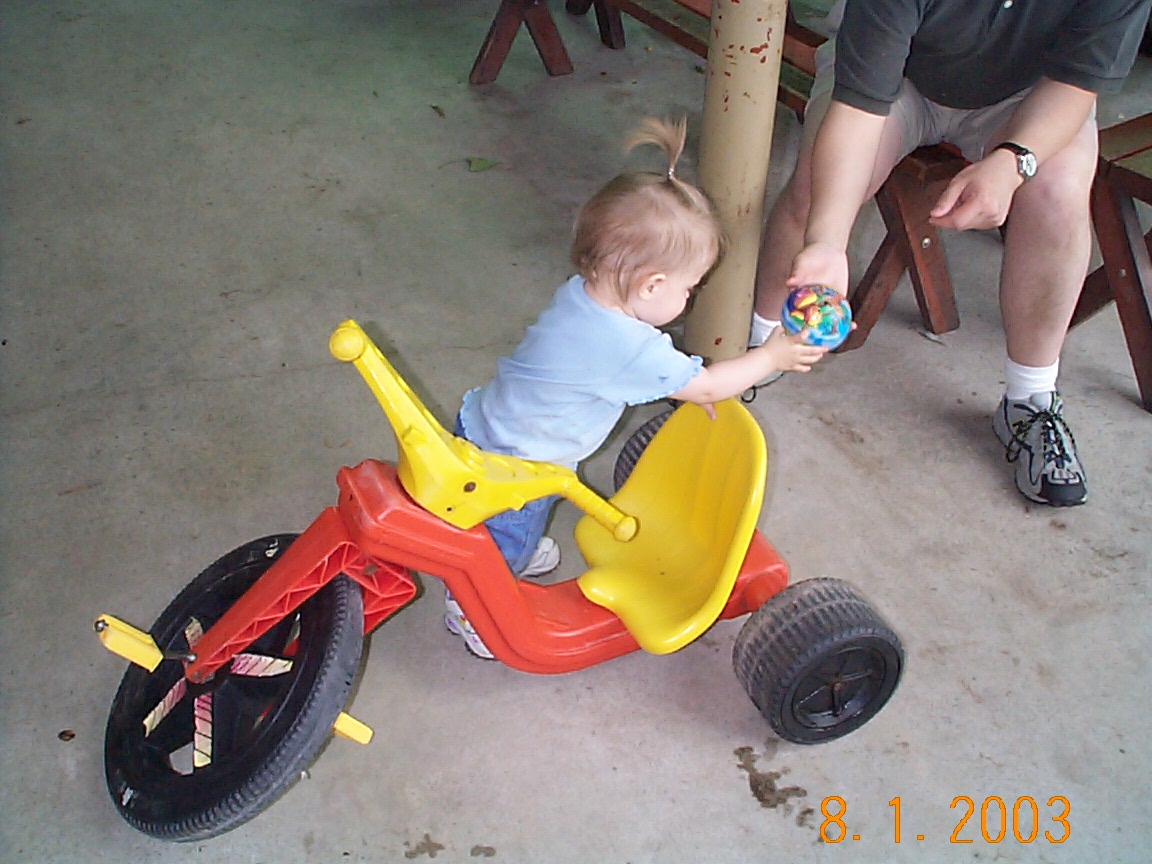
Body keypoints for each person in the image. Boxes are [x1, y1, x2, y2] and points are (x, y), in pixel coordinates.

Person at [446, 116, 828, 658]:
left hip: (484, 424)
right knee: (505, 534)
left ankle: (511, 550)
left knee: (509, 528)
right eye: (690, 288)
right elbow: (705, 384)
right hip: (517, 467)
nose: (690, 299)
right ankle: (470, 611)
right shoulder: (628, 347)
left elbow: (669, 383)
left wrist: (695, 391)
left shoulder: (581, 294)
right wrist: (772, 355)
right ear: (652, 285)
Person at [751, 0, 1152, 507]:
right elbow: (859, 109)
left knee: (1058, 194)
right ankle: (757, 346)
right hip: (898, 75)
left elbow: (1077, 82)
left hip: (1031, 93)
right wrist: (828, 241)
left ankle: (1030, 400)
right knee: (819, 187)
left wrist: (1014, 163)